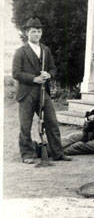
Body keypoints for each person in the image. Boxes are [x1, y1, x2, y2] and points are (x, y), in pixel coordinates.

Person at [12, 17, 71, 163]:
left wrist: (49, 74)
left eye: (39, 31)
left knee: (52, 122)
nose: (37, 34)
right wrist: (34, 78)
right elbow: (16, 73)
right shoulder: (21, 51)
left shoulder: (45, 50)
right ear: (27, 33)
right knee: (25, 125)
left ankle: (58, 153)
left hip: (43, 91)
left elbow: (53, 68)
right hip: (26, 93)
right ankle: (27, 155)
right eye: (33, 31)